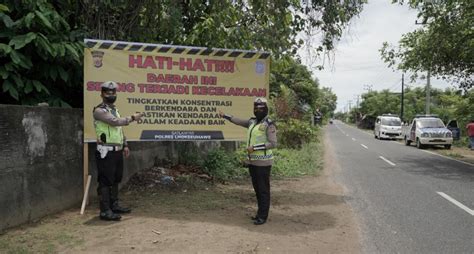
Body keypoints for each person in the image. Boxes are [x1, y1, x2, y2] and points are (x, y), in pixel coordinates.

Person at [219, 97, 277, 225]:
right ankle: (259, 214)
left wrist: (254, 148)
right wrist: (225, 116)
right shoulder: (252, 122)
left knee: (263, 190)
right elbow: (238, 121)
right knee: (257, 189)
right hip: (253, 162)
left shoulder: (269, 124)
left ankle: (263, 217)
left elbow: (273, 143)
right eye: (256, 108)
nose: (258, 110)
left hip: (263, 163)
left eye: (261, 108)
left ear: (266, 109)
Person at [93, 81, 143, 221]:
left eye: (113, 92)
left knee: (116, 178)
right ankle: (105, 210)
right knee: (105, 180)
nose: (111, 94)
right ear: (102, 94)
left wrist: (125, 145)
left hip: (117, 150)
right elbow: (115, 122)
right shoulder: (99, 111)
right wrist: (133, 118)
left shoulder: (115, 110)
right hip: (106, 151)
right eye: (108, 92)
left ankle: (114, 205)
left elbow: (119, 130)